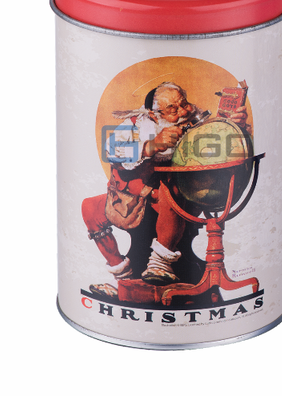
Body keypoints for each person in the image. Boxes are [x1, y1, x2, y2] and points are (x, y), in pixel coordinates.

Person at [82, 82, 248, 297]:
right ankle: (124, 278)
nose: (183, 112)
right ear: (153, 114)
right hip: (130, 199)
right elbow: (111, 150)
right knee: (90, 208)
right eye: (172, 109)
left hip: (178, 198)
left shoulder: (197, 121)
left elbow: (223, 148)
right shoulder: (136, 124)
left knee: (170, 189)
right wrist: (150, 146)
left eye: (184, 104)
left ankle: (160, 263)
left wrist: (234, 127)